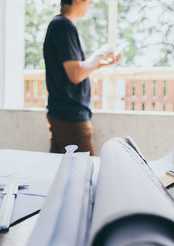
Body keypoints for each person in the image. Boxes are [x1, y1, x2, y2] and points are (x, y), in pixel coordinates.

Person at [43, 0, 120, 155]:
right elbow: (76, 74)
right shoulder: (63, 26)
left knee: (60, 172)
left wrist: (98, 64)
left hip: (61, 113)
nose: (90, 5)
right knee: (84, 174)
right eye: (90, 1)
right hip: (70, 117)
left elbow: (74, 71)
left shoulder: (58, 24)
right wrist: (98, 55)